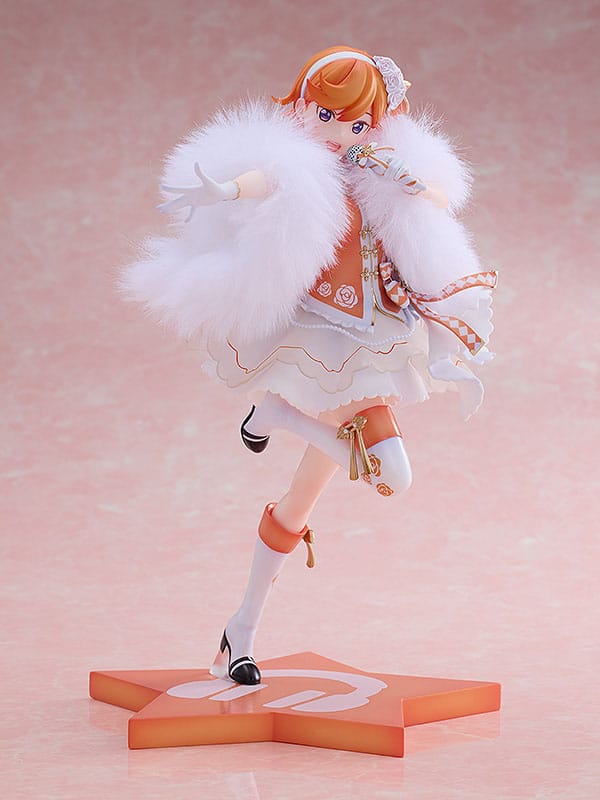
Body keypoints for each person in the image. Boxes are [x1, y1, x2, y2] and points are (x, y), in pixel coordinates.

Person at [122, 46, 496, 685]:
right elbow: (264, 180)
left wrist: (414, 185)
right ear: (299, 104)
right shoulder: (299, 167)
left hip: (378, 335)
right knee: (391, 474)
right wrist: (224, 189)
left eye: (355, 122)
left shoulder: (379, 165)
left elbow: (440, 196)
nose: (339, 131)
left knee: (298, 506)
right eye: (325, 114)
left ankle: (240, 629)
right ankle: (280, 416)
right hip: (324, 338)